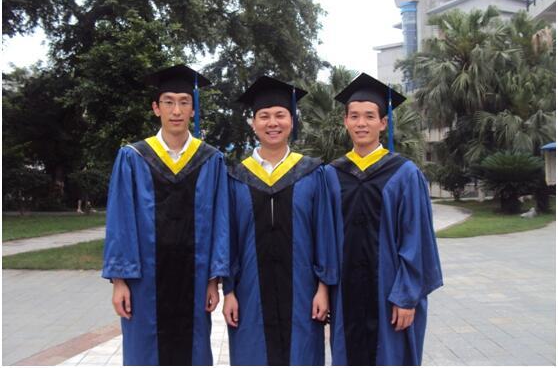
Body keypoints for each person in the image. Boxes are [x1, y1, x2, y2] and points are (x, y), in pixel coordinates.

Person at [101, 64, 229, 365]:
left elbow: (220, 222)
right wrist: (119, 281)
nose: (176, 110)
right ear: (156, 108)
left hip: (195, 279)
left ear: (193, 110)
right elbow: (120, 222)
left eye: (184, 102)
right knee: (145, 351)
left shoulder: (210, 160)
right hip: (144, 283)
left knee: (193, 350)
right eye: (168, 102)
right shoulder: (133, 157)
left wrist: (214, 280)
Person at [326, 72, 443, 365]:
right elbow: (322, 238)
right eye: (354, 116)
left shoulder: (404, 174)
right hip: (345, 293)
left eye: (369, 116)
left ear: (383, 123)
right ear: (345, 121)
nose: (361, 123)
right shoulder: (331, 174)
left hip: (389, 294)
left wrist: (406, 296)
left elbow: (417, 240)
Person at [222, 76, 338, 365]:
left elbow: (324, 234)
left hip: (303, 293)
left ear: (292, 121)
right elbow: (229, 238)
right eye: (264, 116)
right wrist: (229, 291)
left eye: (280, 115)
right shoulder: (236, 176)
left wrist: (323, 289)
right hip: (249, 294)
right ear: (253, 123)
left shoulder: (312, 173)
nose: (272, 123)